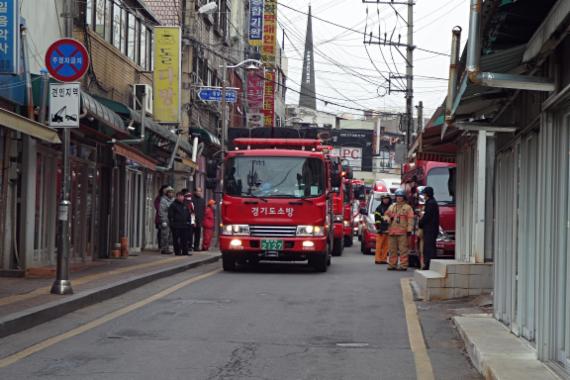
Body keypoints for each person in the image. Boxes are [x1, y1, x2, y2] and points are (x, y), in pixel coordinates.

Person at [384, 189, 414, 271]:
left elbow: (410, 219)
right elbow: (386, 215)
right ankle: (392, 264)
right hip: (392, 232)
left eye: (401, 196)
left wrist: (409, 229)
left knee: (403, 250)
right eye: (397, 196)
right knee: (392, 250)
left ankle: (403, 265)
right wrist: (387, 219)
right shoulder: (392, 206)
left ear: (404, 197)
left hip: (402, 232)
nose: (399, 198)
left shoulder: (408, 208)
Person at [419, 186, 439, 270]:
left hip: (430, 229)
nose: (423, 195)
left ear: (427, 194)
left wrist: (420, 223)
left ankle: (428, 264)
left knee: (428, 247)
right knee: (430, 246)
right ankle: (429, 264)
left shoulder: (430, 203)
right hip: (432, 229)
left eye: (424, 194)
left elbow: (427, 216)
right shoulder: (432, 202)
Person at [168, 192, 192, 256]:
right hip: (176, 226)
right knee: (176, 239)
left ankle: (185, 251)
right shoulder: (173, 205)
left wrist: (189, 222)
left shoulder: (184, 205)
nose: (181, 197)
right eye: (179, 196)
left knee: (184, 239)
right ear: (177, 197)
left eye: (182, 196)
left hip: (184, 225)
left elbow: (188, 214)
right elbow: (170, 215)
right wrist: (172, 224)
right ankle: (177, 252)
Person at [374, 193, 392, 264]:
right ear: (382, 200)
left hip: (388, 229)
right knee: (379, 245)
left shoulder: (391, 208)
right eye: (384, 199)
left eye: (387, 199)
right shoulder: (379, 208)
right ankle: (378, 259)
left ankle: (384, 259)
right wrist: (379, 228)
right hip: (381, 229)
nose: (386, 200)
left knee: (386, 246)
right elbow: (377, 219)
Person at [159, 186, 175, 254]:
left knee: (171, 236)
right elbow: (162, 211)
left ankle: (169, 248)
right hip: (165, 219)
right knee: (165, 235)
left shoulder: (174, 200)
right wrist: (163, 220)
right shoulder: (163, 200)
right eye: (169, 192)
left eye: (172, 192)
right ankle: (164, 248)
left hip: (172, 220)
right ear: (167, 193)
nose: (171, 194)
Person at [181, 188, 195, 253]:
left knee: (189, 234)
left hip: (189, 221)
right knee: (186, 235)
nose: (189, 198)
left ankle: (188, 246)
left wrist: (193, 221)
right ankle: (187, 246)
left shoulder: (190, 203)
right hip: (185, 221)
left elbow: (192, 212)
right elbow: (192, 212)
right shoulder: (184, 203)